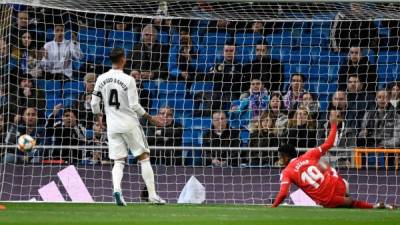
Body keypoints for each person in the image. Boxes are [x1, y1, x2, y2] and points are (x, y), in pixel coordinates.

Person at [272, 113, 395, 209]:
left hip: (327, 198)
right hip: (339, 183)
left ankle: (366, 205)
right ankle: (374, 205)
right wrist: (334, 124)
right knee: (325, 166)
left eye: (280, 156)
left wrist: (274, 205)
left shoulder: (286, 172)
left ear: (286, 157)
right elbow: (329, 143)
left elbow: (283, 194)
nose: (280, 159)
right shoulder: (309, 154)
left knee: (348, 203)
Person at [91, 48, 166, 205]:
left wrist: (99, 118)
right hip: (129, 124)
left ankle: (117, 191)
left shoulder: (100, 78)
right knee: (144, 158)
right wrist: (150, 118)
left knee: (119, 161)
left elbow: (94, 104)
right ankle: (152, 195)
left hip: (112, 126)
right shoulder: (129, 79)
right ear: (123, 59)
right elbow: (134, 105)